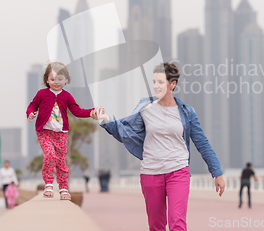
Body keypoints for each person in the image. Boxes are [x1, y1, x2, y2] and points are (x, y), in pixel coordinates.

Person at [93, 62, 225, 231]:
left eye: (161, 82)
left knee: (177, 223)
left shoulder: (186, 112)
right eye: (154, 81)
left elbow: (202, 142)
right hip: (151, 172)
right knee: (156, 226)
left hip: (178, 171)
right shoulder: (145, 108)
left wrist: (217, 172)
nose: (156, 86)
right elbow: (126, 133)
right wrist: (106, 120)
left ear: (173, 84)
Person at [27, 62, 96, 200]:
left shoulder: (67, 96)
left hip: (61, 134)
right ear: (47, 80)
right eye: (52, 79)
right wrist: (30, 113)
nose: (56, 82)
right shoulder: (42, 94)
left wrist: (91, 112)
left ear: (66, 80)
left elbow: (77, 111)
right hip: (45, 132)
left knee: (61, 162)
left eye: (60, 79)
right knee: (50, 155)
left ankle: (63, 188)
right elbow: (32, 105)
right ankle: (48, 184)